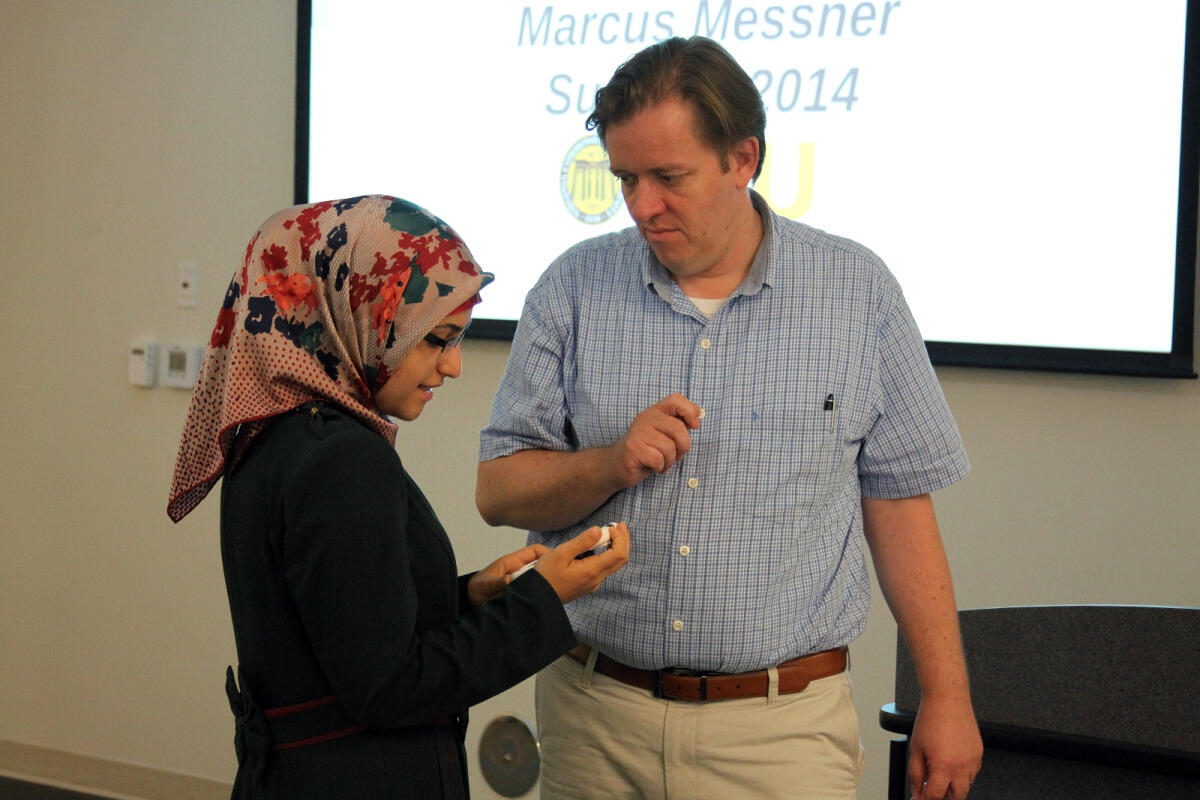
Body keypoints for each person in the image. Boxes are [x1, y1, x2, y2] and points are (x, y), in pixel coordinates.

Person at [476, 37, 982, 800]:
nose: (642, 204)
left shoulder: (857, 292)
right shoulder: (573, 288)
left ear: (743, 159)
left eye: (667, 177)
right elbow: (499, 492)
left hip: (780, 735)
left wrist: (946, 699)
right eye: (624, 178)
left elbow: (900, 506)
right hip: (593, 715)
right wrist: (609, 462)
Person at [166, 194, 628, 799]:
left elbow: (343, 633)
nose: (454, 366)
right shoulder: (341, 458)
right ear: (357, 311)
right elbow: (387, 688)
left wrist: (468, 598)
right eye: (437, 339)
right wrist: (546, 600)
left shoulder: (273, 432)